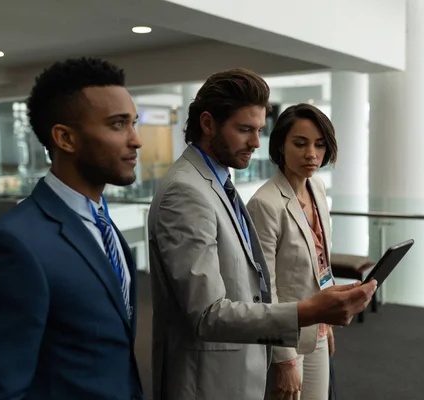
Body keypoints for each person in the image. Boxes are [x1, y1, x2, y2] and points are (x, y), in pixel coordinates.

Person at [147, 68, 377, 400]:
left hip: (242, 360)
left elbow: (252, 282)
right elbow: (207, 314)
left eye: (258, 130)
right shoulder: (186, 192)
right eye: (244, 130)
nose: (256, 143)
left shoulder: (216, 182)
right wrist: (308, 312)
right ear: (208, 123)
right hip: (209, 378)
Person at [0, 57, 144, 400]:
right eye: (118, 125)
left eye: (134, 123)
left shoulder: (104, 226)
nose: (136, 140)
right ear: (65, 138)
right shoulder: (12, 246)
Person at [247, 103, 340, 400]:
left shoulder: (318, 188)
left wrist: (329, 318)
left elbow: (321, 261)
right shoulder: (265, 204)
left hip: (319, 324)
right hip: (287, 333)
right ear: (280, 146)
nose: (311, 154)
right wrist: (284, 357)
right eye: (300, 144)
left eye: (319, 145)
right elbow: (265, 289)